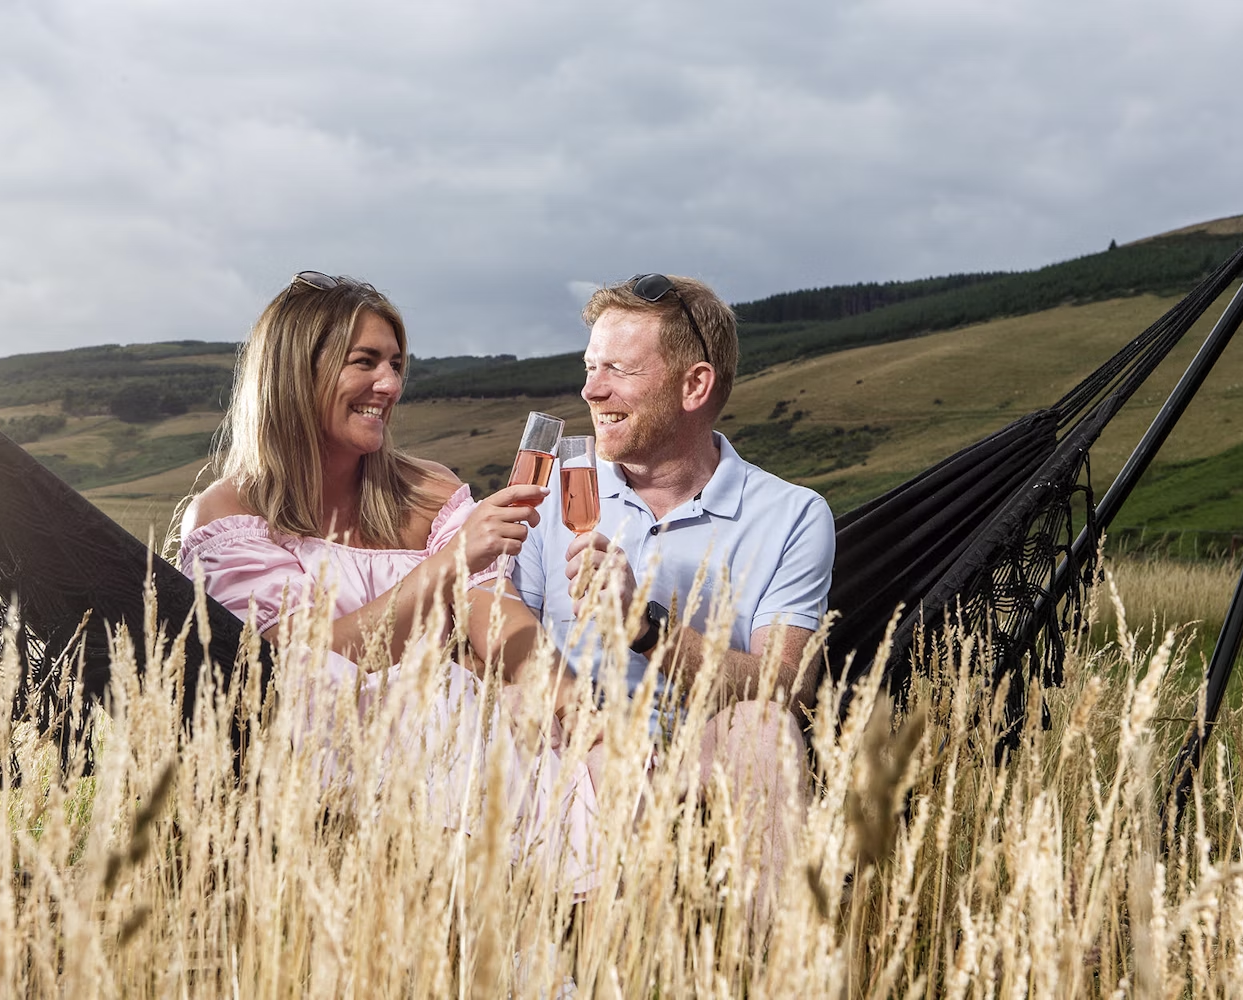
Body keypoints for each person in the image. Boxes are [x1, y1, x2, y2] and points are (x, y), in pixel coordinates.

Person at [177, 271, 598, 892]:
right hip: (329, 766)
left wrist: (570, 699)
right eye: (366, 362)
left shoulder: (428, 490)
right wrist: (449, 563)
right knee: (444, 696)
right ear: (298, 371)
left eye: (397, 364)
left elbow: (496, 613)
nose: (391, 385)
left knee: (574, 752)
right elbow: (299, 664)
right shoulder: (231, 513)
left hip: (458, 747)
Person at [512, 272, 835, 830]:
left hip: (701, 758)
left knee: (763, 728)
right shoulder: (550, 492)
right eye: (591, 368)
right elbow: (504, 652)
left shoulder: (793, 515)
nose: (591, 391)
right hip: (574, 746)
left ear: (695, 386)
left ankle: (775, 923)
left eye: (618, 369)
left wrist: (645, 627)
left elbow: (789, 687)